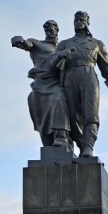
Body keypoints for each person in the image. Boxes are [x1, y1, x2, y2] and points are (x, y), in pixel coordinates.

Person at [50, 11, 108, 157]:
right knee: (71, 115)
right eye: (76, 20)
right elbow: (51, 64)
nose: (78, 22)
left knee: (90, 113)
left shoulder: (97, 43)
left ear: (87, 22)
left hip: (89, 76)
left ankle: (89, 146)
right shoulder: (65, 43)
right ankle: (81, 144)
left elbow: (106, 68)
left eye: (81, 19)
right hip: (69, 77)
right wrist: (60, 54)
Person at [12, 20, 71, 149]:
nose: (50, 32)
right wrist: (19, 41)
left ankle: (61, 137)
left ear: (57, 30)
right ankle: (48, 142)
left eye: (52, 30)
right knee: (37, 108)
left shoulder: (62, 47)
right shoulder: (37, 43)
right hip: (41, 83)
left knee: (58, 98)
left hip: (56, 83)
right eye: (47, 30)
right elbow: (27, 44)